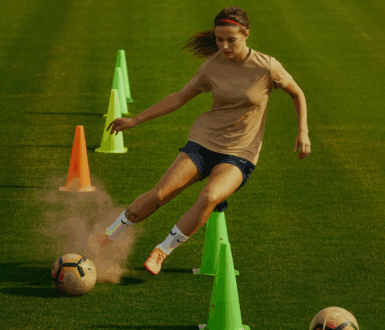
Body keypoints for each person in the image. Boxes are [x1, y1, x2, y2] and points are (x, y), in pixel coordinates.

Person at [98, 6, 310, 275]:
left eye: (230, 40)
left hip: (241, 152)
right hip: (204, 141)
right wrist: (135, 120)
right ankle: (107, 236)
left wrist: (302, 131)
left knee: (209, 196)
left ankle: (161, 251)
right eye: (219, 39)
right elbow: (179, 97)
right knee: (160, 194)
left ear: (245, 34)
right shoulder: (212, 65)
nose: (223, 46)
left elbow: (297, 93)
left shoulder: (266, 66)